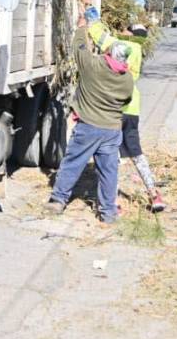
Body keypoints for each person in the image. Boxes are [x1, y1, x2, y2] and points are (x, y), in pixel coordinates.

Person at [46, 19, 135, 224]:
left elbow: (80, 48)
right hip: (112, 130)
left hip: (88, 127)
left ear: (108, 54)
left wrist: (81, 28)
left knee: (73, 163)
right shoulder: (127, 79)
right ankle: (108, 213)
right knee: (108, 171)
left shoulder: (93, 66)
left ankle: (58, 200)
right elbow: (127, 100)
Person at [88, 20, 166, 212]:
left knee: (111, 155)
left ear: (131, 34)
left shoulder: (121, 45)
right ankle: (154, 194)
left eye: (125, 29)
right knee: (136, 153)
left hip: (114, 109)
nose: (122, 30)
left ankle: (112, 201)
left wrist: (90, 11)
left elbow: (96, 33)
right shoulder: (139, 50)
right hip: (132, 109)